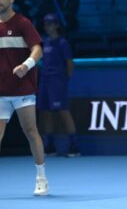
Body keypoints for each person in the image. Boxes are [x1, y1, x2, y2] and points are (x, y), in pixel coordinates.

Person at [0, 0, 48, 195]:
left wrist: (26, 65)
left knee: (31, 132)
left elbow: (37, 49)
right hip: (1, 92)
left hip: (23, 90)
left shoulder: (23, 23)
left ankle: (41, 178)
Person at [37, 13, 80, 157]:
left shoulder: (62, 43)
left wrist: (64, 79)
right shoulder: (44, 42)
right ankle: (50, 146)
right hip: (45, 81)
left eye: (50, 24)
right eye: (45, 24)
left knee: (63, 111)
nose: (47, 26)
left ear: (56, 25)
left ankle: (74, 146)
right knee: (46, 112)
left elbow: (69, 64)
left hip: (57, 81)